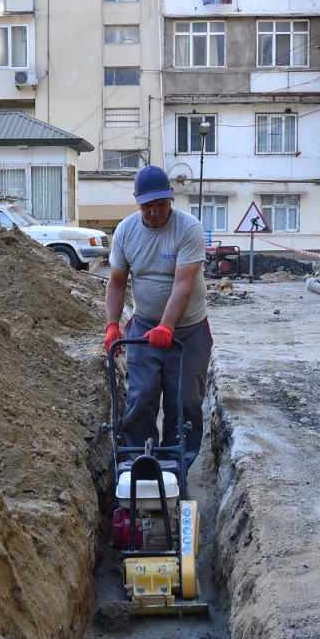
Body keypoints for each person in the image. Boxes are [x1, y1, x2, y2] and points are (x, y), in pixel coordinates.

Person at [105, 165, 212, 471]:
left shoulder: (188, 229)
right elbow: (115, 282)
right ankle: (139, 463)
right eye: (147, 206)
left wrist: (168, 325)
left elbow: (183, 284)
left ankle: (177, 465)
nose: (154, 213)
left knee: (185, 401)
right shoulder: (126, 232)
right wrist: (112, 325)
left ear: (171, 200)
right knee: (141, 395)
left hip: (189, 331)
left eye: (161, 205)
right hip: (143, 326)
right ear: (138, 202)